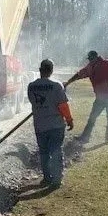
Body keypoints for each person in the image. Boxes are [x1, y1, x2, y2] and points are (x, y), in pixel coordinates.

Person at [28, 59, 74, 188]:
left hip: (40, 125)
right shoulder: (57, 85)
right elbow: (63, 106)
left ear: (40, 70)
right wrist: (69, 120)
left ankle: (47, 178)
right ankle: (57, 179)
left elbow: (33, 102)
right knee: (55, 151)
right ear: (51, 70)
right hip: (55, 125)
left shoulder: (31, 86)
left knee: (43, 152)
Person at [64, 50, 108, 144]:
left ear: (95, 57)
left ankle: (107, 138)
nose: (90, 61)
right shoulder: (90, 67)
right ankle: (85, 137)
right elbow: (79, 74)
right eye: (89, 60)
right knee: (92, 117)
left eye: (91, 59)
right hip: (100, 98)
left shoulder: (106, 63)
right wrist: (68, 82)